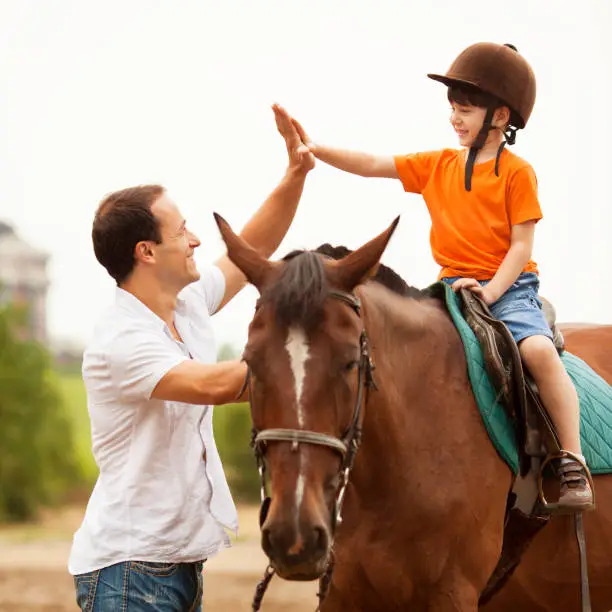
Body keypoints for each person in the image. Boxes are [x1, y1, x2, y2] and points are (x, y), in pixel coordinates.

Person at [278, 42, 593, 512]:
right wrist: (315, 149)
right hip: (451, 288)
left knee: (540, 352)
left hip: (506, 290)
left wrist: (489, 291)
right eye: (452, 110)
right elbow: (371, 163)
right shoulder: (438, 165)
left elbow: (521, 247)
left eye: (465, 110)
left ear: (501, 117)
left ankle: (572, 461)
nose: (454, 119)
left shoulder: (517, 174)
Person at [68, 104, 315, 611]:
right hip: (128, 572)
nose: (196, 239)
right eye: (182, 231)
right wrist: (308, 359)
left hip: (173, 565)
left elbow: (254, 248)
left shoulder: (188, 302)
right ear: (147, 252)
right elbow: (215, 385)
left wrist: (296, 175)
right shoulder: (121, 339)